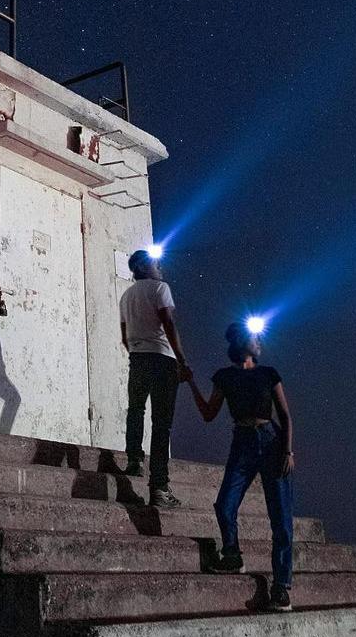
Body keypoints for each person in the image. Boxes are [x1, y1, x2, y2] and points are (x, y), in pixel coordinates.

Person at [184, 321, 294, 611]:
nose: (259, 343)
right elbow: (209, 413)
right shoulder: (225, 377)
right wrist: (192, 383)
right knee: (224, 504)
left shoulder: (268, 374)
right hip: (242, 443)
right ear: (242, 343)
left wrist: (288, 451)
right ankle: (232, 555)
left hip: (271, 442)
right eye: (255, 338)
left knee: (281, 517)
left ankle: (281, 587)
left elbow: (285, 416)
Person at [119, 249, 190, 507]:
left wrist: (137, 351)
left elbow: (124, 335)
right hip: (162, 359)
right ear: (143, 267)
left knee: (135, 409)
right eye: (155, 264)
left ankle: (134, 460)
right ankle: (159, 486)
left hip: (138, 358)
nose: (160, 267)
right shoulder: (161, 288)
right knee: (161, 423)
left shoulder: (126, 296)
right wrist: (181, 359)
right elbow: (168, 323)